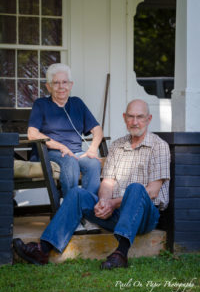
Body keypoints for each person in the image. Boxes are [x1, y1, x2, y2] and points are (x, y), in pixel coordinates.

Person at [13, 99, 170, 269]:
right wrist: (103, 202)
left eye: (140, 117)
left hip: (145, 217)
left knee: (136, 188)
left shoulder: (159, 146)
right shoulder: (117, 146)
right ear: (124, 118)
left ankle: (121, 254)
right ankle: (42, 250)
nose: (135, 122)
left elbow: (153, 191)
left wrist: (113, 203)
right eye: (130, 117)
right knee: (77, 193)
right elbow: (108, 183)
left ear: (149, 119)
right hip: (116, 213)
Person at [28, 63, 103, 198]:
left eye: (64, 82)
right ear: (48, 86)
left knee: (93, 163)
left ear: (71, 85)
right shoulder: (41, 104)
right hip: (49, 152)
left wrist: (92, 149)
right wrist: (61, 147)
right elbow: (32, 134)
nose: (61, 87)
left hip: (76, 153)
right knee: (69, 160)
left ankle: (88, 210)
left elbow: (97, 129)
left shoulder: (77, 103)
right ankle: (71, 210)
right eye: (56, 83)